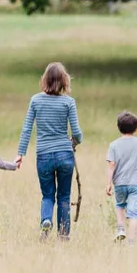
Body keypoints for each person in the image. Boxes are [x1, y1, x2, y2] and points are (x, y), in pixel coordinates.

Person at [15, 62, 82, 241]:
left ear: (45, 79)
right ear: (64, 81)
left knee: (47, 195)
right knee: (64, 196)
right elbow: (77, 132)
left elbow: (27, 128)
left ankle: (46, 220)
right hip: (65, 154)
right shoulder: (69, 102)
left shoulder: (36, 100)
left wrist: (20, 153)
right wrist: (74, 141)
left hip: (43, 155)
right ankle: (63, 235)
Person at [106, 111, 137, 243]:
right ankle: (131, 241)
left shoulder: (113, 145)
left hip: (120, 183)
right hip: (135, 184)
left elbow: (111, 165)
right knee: (133, 213)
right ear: (136, 128)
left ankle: (121, 229)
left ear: (118, 127)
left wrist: (108, 183)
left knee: (120, 205)